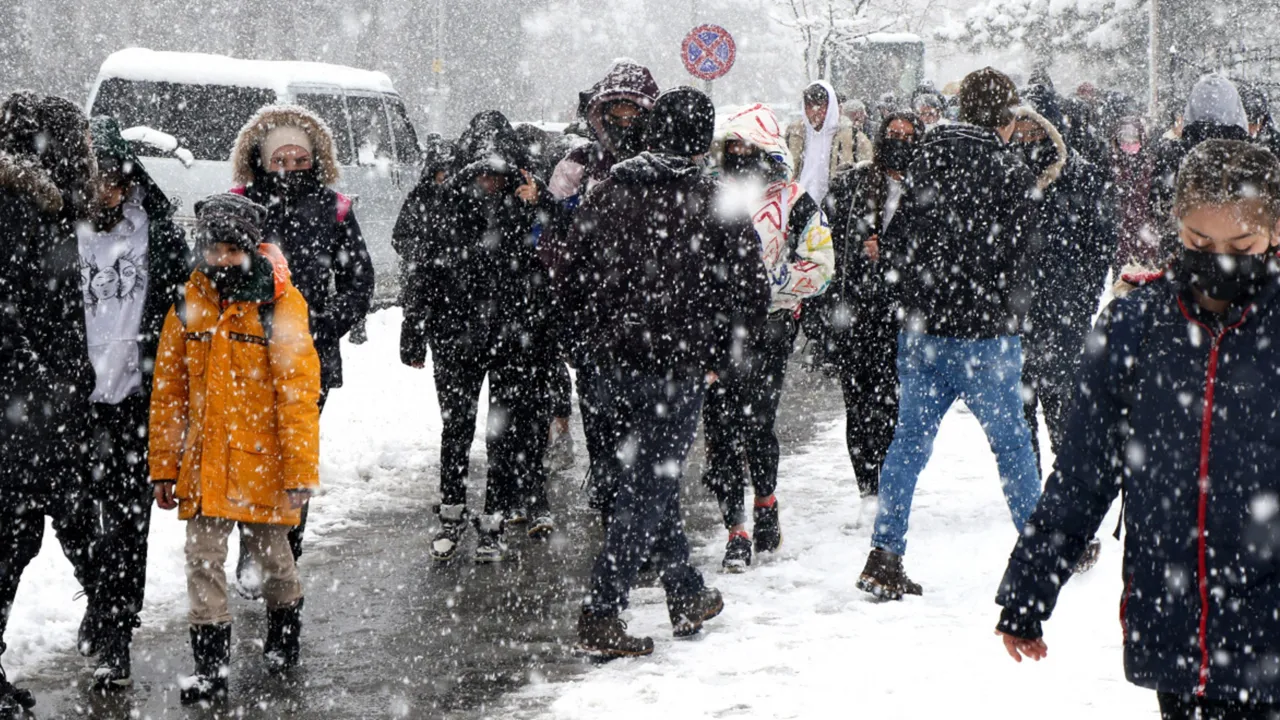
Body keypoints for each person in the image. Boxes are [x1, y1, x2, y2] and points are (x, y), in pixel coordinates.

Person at [996, 139, 1280, 720]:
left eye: (1242, 245)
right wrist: (1029, 587)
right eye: (1200, 243)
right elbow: (1083, 474)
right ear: (1177, 228)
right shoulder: (1136, 326)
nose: (1220, 259)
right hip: (1174, 617)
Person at [556, 87, 769, 658]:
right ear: (701, 140)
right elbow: (752, 291)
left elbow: (565, 279)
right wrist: (722, 360)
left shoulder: (607, 193)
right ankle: (602, 611)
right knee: (649, 488)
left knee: (650, 479)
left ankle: (685, 591)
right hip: (673, 368)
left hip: (609, 367)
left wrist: (587, 348)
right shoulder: (714, 197)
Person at [858, 67, 1041, 601]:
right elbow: (1025, 261)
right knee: (1012, 446)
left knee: (908, 443)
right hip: (987, 335)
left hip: (923, 332)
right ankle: (1040, 550)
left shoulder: (925, 161)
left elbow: (895, 246)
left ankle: (885, 554)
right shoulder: (1010, 174)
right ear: (1004, 120)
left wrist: (920, 295)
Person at [150, 193, 320, 705]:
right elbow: (169, 391)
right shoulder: (189, 302)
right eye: (213, 248)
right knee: (202, 560)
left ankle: (284, 633)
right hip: (204, 465)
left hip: (262, 464)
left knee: (274, 559)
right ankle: (210, 669)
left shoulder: (280, 304)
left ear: (248, 248)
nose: (221, 259)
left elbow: (298, 395)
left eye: (231, 248)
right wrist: (164, 464)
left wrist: (299, 474)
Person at [400, 111, 556, 563]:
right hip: (456, 335)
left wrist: (538, 203)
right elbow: (421, 270)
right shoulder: (445, 203)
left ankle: (493, 518)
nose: (488, 181)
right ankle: (451, 513)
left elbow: (557, 253)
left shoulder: (526, 204)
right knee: (457, 427)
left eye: (496, 173)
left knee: (501, 433)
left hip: (513, 336)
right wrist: (414, 328)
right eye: (481, 172)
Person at [229, 105, 374, 593]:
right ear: (262, 158)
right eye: (279, 157)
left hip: (308, 356)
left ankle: (287, 545)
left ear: (315, 156)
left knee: (294, 452)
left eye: (299, 156)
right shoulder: (239, 205)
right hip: (245, 352)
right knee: (249, 450)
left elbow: (360, 279)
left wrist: (324, 326)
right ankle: (252, 546)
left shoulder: (335, 208)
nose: (290, 166)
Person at [74, 115, 191, 689]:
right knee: (73, 519)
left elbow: (183, 310)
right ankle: (100, 598)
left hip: (134, 402)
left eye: (114, 181)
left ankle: (116, 633)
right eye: (93, 181)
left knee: (126, 522)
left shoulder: (159, 231)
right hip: (71, 403)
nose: (104, 193)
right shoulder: (55, 231)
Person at [0, 91, 99, 714]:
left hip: (36, 407)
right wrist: (48, 386)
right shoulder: (18, 210)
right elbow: (14, 316)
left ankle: (110, 624)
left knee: (31, 532)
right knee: (15, 537)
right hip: (25, 410)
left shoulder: (41, 208)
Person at [704, 104, 835, 571]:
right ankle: (734, 528)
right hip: (716, 333)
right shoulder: (711, 195)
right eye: (731, 145)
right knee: (719, 431)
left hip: (770, 329)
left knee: (758, 423)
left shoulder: (795, 201)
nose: (739, 154)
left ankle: (765, 503)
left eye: (747, 146)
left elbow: (820, 266)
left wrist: (765, 287)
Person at [541, 61, 659, 529]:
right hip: (593, 317)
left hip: (653, 321)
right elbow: (549, 240)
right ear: (600, 113)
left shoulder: (667, 166)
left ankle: (641, 509)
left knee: (647, 425)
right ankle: (613, 502)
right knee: (601, 417)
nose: (625, 120)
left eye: (634, 111)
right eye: (617, 110)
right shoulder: (577, 166)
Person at [814, 110, 925, 498]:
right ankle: (866, 485)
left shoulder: (926, 189)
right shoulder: (855, 183)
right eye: (893, 134)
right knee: (858, 404)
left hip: (902, 317)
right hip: (857, 312)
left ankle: (890, 483)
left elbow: (933, 251)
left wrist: (891, 255)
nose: (900, 141)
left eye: (908, 136)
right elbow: (829, 243)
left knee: (894, 406)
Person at [1151, 75, 1250, 255]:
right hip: (1240, 253)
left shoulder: (1173, 154)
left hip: (1184, 251)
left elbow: (1158, 205)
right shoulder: (1250, 158)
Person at [786, 81, 856, 203]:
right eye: (809, 106)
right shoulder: (794, 134)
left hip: (834, 207)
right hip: (797, 204)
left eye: (820, 106)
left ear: (830, 106)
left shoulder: (850, 136)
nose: (814, 112)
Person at [1111, 115, 1161, 272]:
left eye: (1133, 138)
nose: (1129, 143)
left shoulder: (1151, 163)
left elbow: (1154, 195)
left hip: (1145, 230)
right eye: (1124, 138)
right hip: (1121, 229)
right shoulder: (1111, 164)